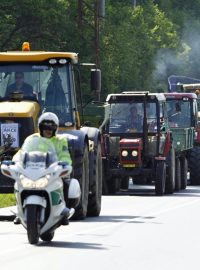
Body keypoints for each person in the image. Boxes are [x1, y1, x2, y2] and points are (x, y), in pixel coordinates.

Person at [13, 112, 79, 225]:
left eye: (51, 127)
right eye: (45, 127)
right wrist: (15, 161)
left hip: (52, 171)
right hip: (33, 169)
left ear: (56, 128)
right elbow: (22, 152)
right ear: (40, 127)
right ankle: (19, 209)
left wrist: (65, 163)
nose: (48, 130)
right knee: (18, 181)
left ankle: (63, 211)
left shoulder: (60, 140)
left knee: (65, 182)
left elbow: (64, 154)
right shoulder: (32, 138)